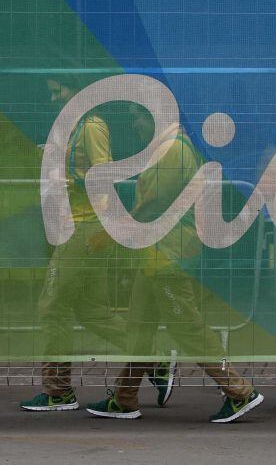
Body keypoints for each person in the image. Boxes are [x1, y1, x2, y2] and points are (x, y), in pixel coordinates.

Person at [84, 104, 262, 422]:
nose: (135, 127)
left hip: (170, 255)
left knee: (188, 328)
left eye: (138, 119)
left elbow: (152, 205)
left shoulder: (173, 151)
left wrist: (112, 233)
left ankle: (239, 391)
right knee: (139, 329)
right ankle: (124, 398)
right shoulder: (168, 148)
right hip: (157, 254)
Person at [20, 76, 173, 412]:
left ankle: (58, 392)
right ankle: (156, 360)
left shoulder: (91, 125)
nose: (53, 98)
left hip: (82, 228)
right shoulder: (78, 128)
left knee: (51, 307)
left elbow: (100, 176)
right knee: (91, 312)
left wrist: (63, 175)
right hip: (81, 227)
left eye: (57, 90)